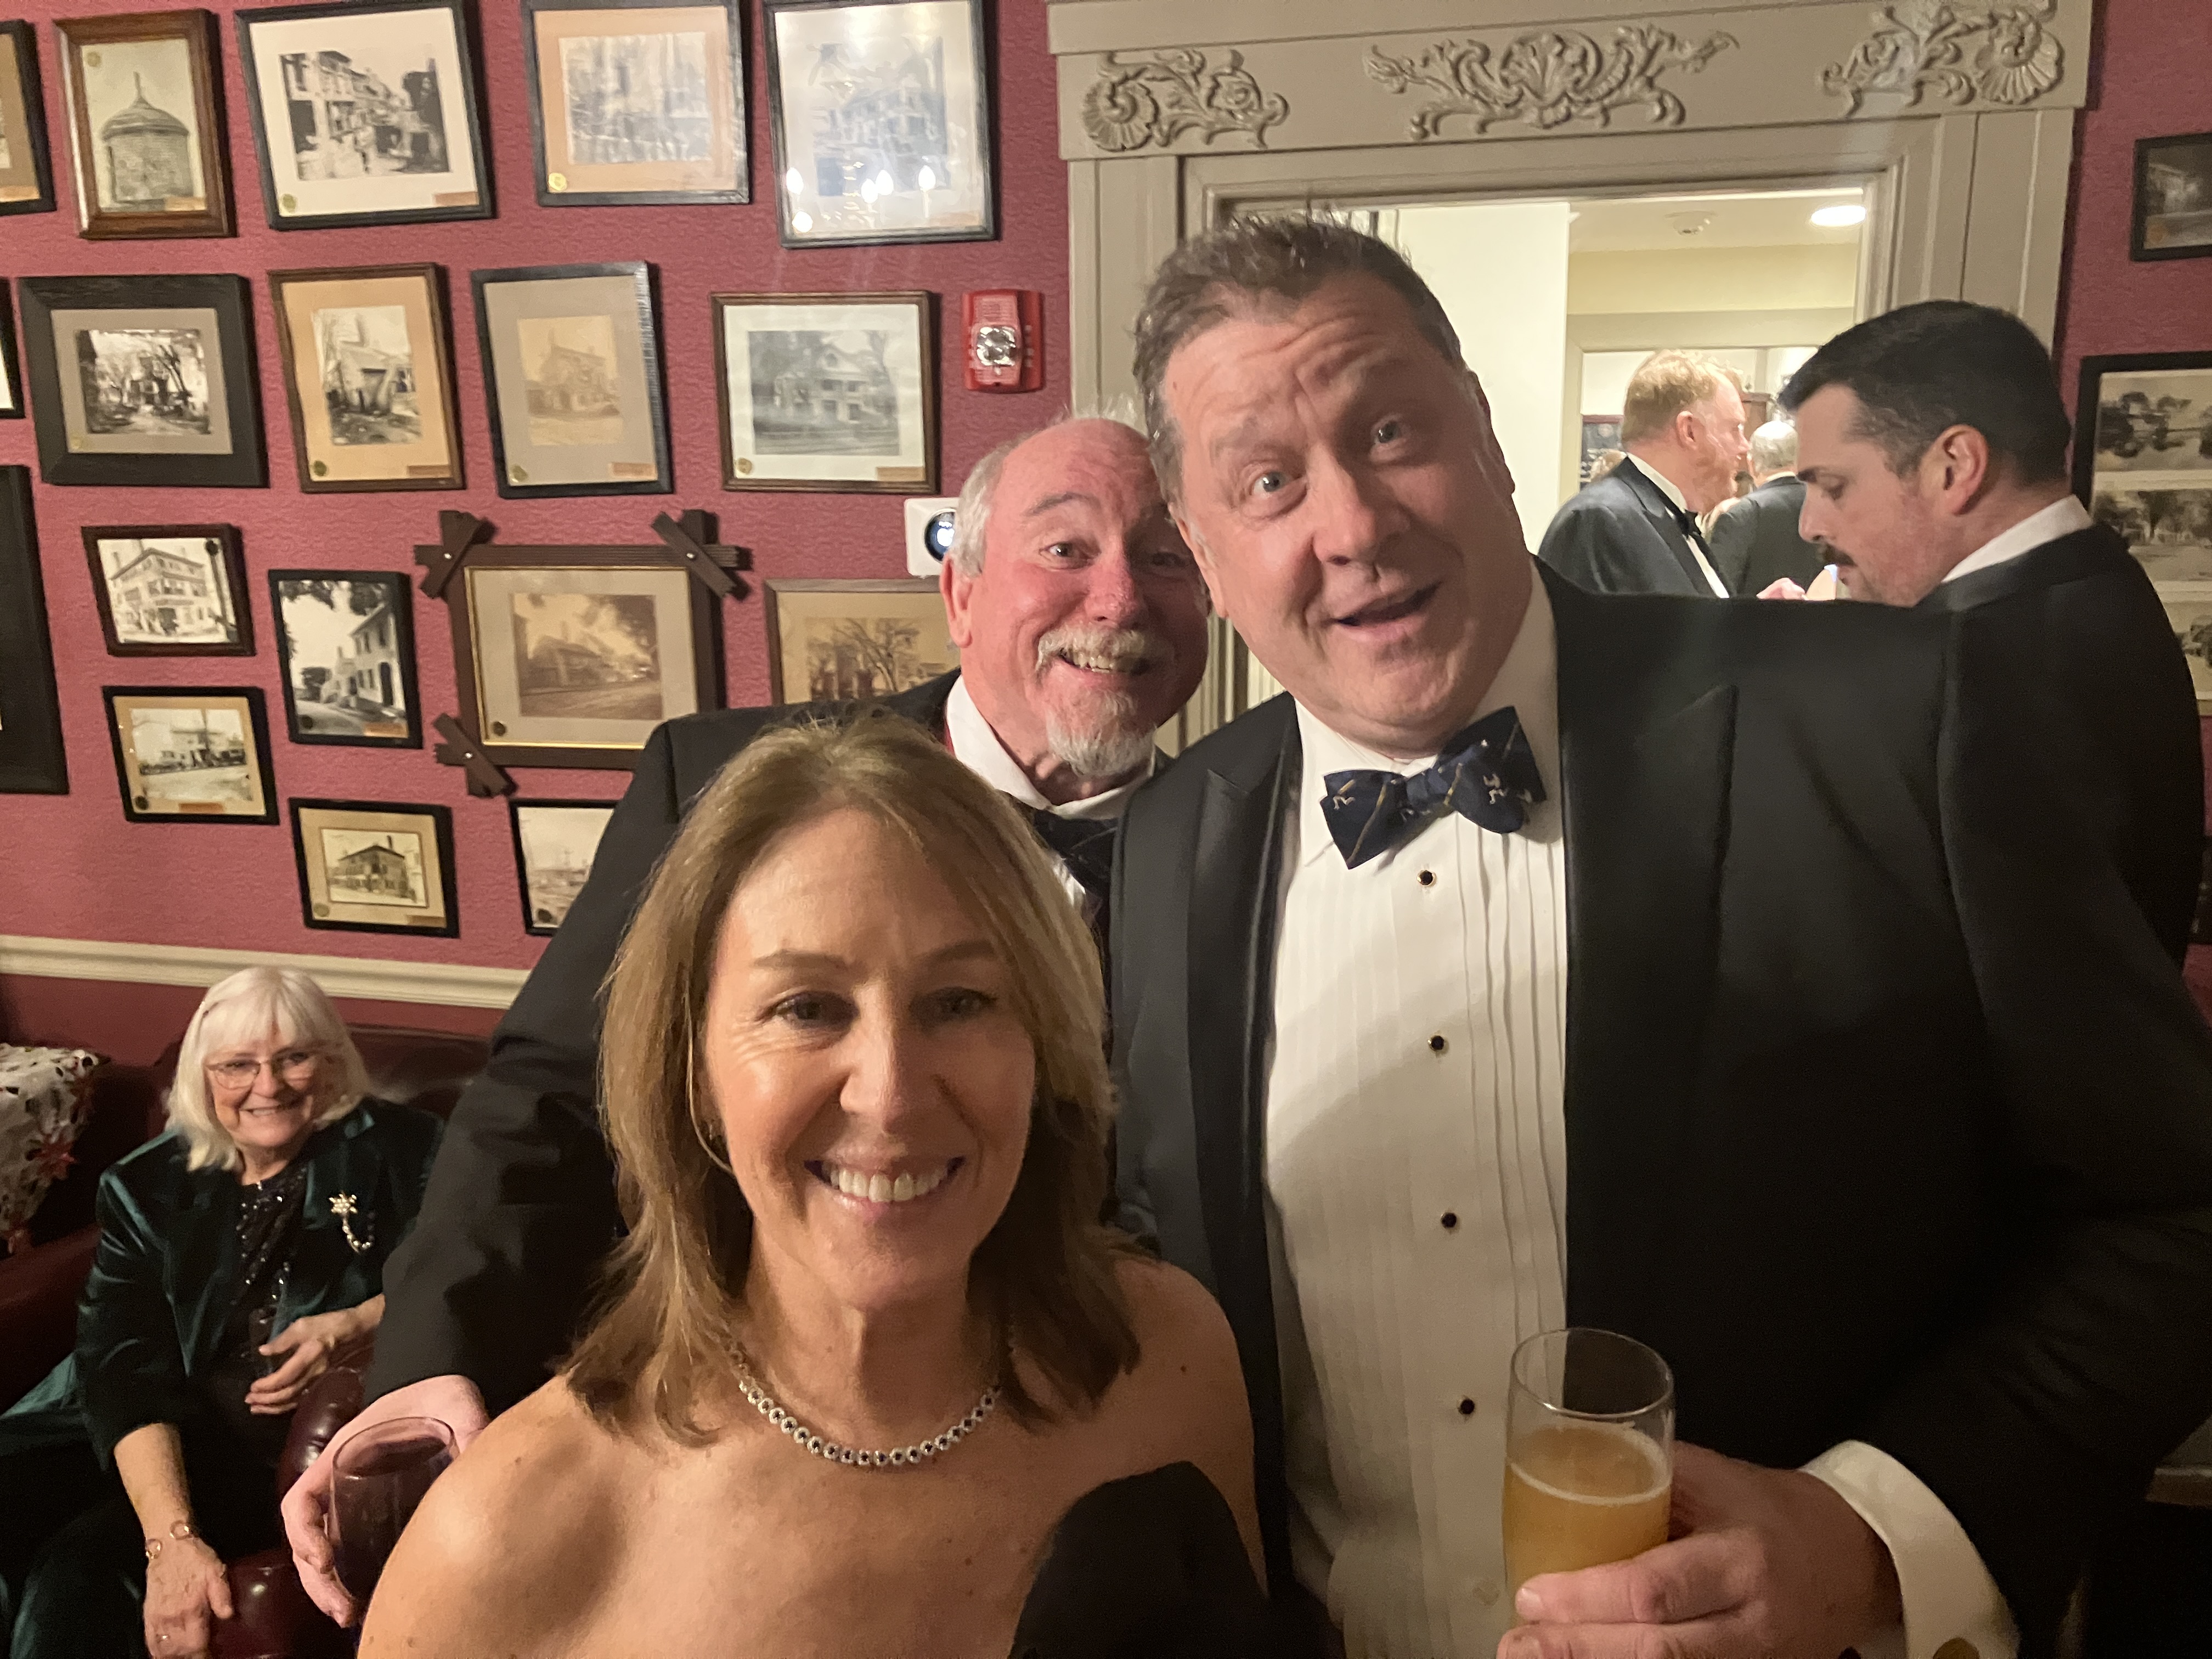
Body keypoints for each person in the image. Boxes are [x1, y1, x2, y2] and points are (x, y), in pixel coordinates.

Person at [1112, 217, 2212, 1659]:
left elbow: (2173, 1213)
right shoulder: (1168, 844)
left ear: (1488, 432)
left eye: (1390, 432)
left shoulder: (1898, 721)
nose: (1356, 524)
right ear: (1200, 548)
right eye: (1267, 482)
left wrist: (1874, 1533)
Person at [284, 415, 1214, 1622]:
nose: (1121, 596)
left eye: (1166, 555)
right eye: (1067, 548)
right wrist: (429, 1363)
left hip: (1095, 1436)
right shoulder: (724, 784)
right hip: (744, 1453)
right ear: (961, 592)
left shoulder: (1252, 830)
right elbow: (551, 1098)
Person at [357, 716, 1266, 1656]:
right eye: (807, 1008)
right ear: (693, 1069)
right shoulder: (503, 1543)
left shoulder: (1169, 1363)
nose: (892, 1093)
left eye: (959, 1001)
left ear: (1043, 1044)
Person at [0, 967, 442, 1659]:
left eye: (294, 1058)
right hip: (142, 1425)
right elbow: (124, 1363)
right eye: (238, 1065)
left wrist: (359, 1322)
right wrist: (171, 1538)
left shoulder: (404, 1150)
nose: (269, 1086)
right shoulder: (148, 1183)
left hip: (263, 1449)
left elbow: (458, 1268)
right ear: (203, 1077)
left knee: (81, 1573)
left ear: (332, 1062)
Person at [1781, 299, 2203, 964]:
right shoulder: (2101, 583)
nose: (1810, 524)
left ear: (1955, 466)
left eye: (1833, 486)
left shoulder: (1972, 663)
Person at [1536, 349, 1750, 595]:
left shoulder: (1665, 517)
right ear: (1689, 431)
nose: (1744, 446)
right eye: (1735, 429)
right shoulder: (1599, 520)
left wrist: (1754, 611)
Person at [1706, 418, 1826, 596]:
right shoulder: (1827, 507)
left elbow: (1715, 594)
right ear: (1800, 460)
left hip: (1756, 614)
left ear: (1752, 464)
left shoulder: (1741, 515)